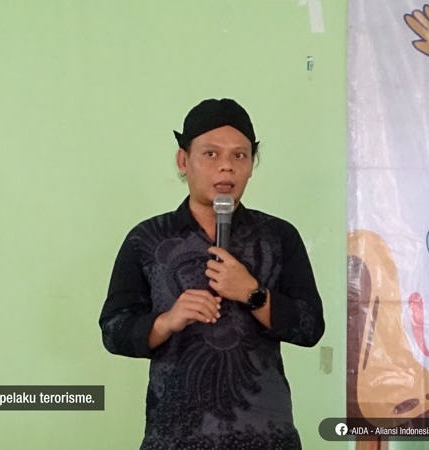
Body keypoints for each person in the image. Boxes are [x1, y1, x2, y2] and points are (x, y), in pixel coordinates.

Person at [99, 98, 325, 450]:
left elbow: (310, 328)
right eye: (210, 154)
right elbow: (114, 331)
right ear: (183, 160)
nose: (226, 167)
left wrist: (253, 294)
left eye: (240, 155)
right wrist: (167, 321)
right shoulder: (147, 238)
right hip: (175, 437)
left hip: (266, 437)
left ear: (251, 165)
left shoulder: (279, 237)